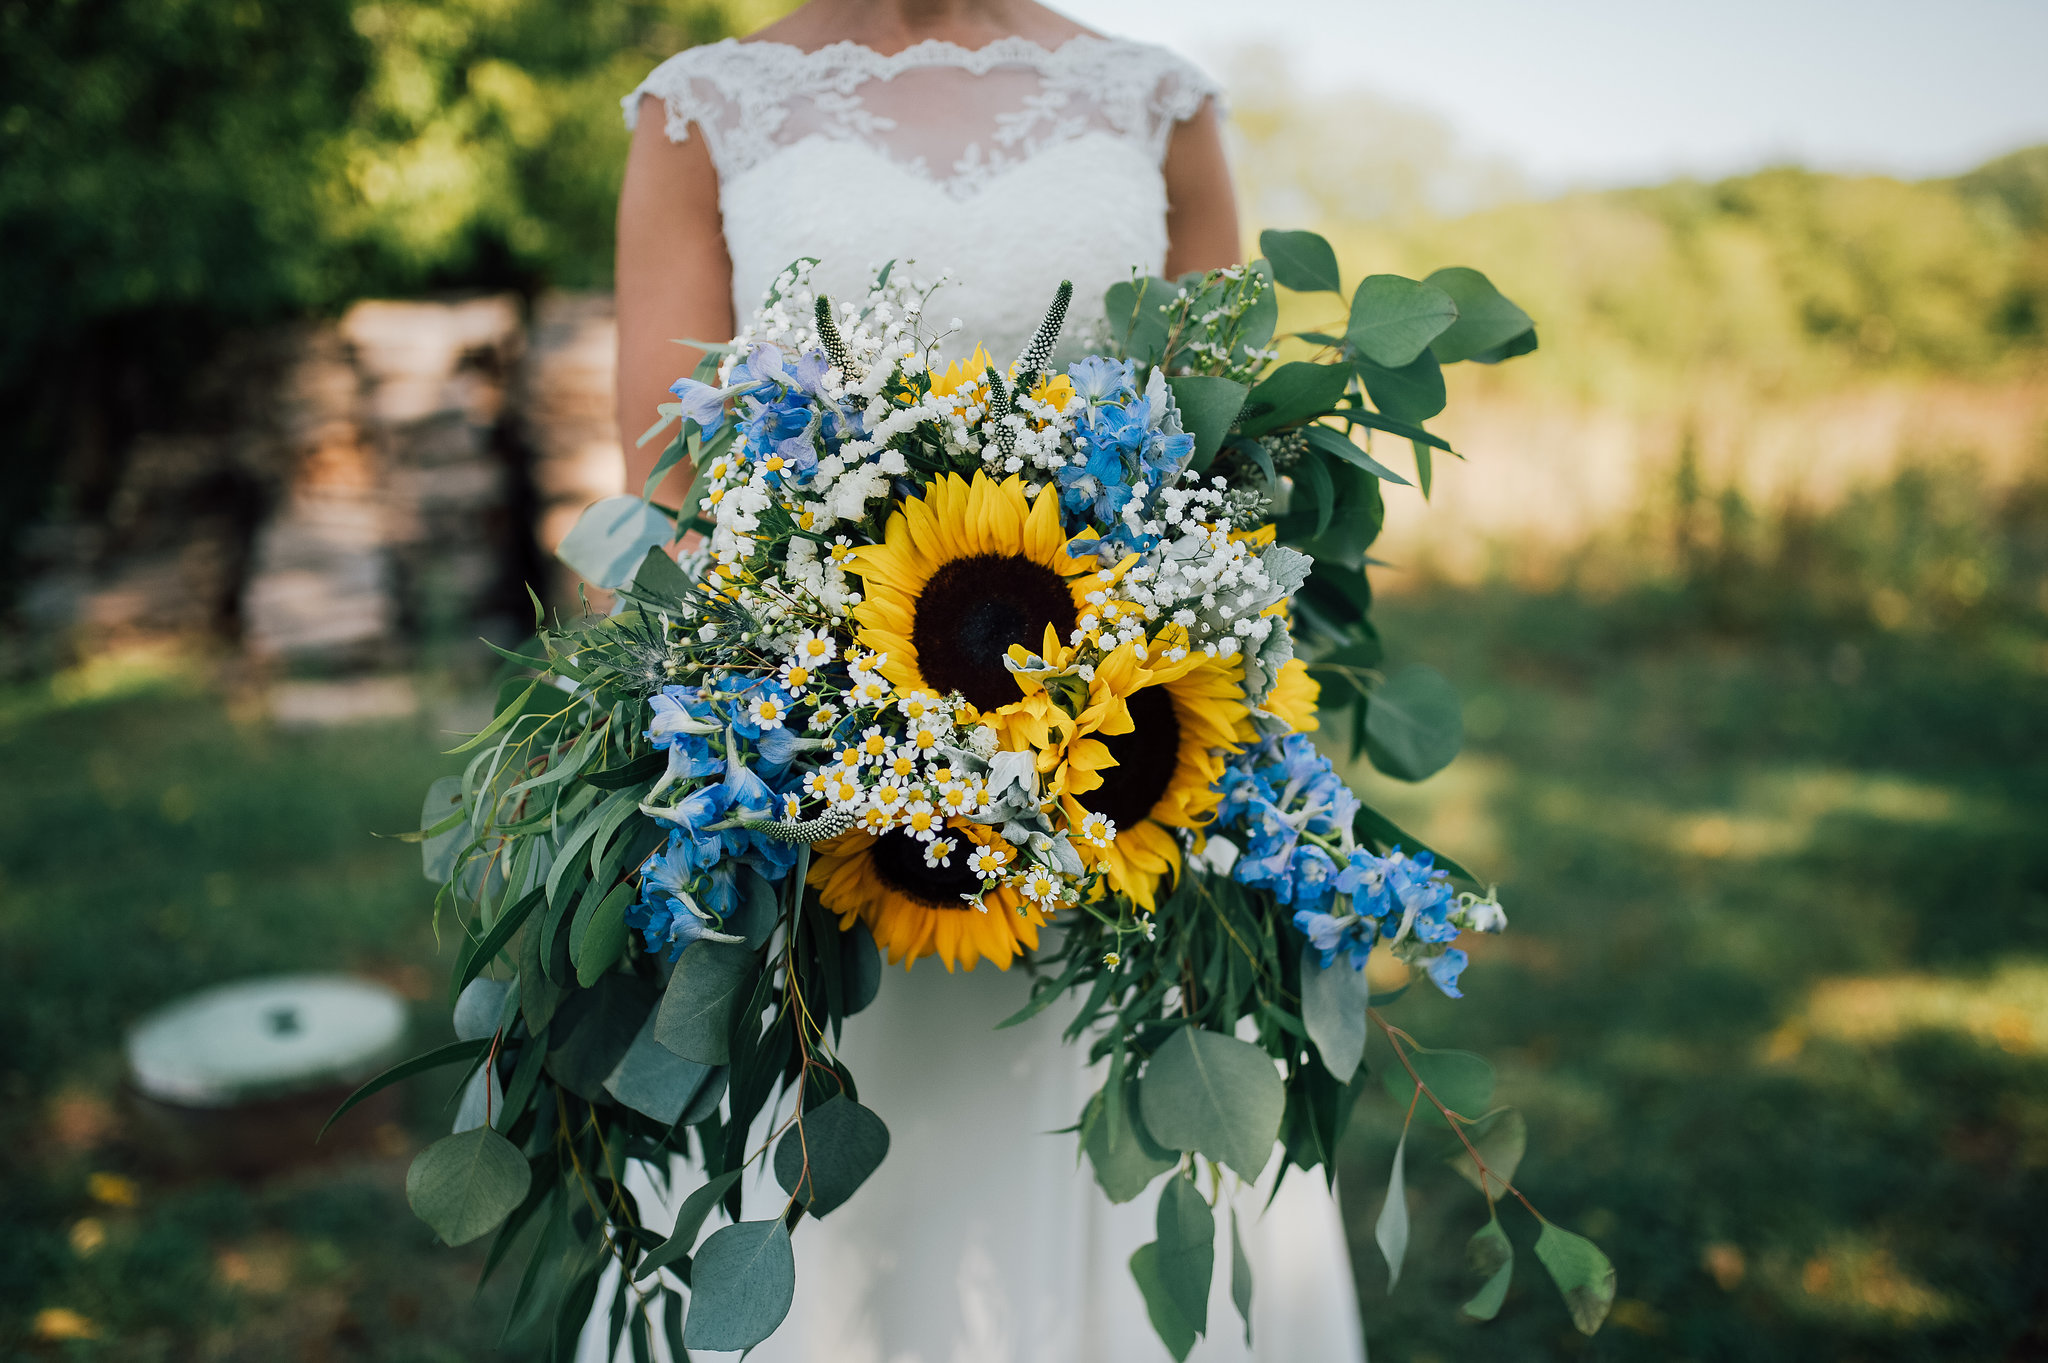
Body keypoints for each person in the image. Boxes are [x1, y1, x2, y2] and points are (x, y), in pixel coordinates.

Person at [591, 4, 1367, 1360]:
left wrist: (1156, 674)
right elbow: (665, 494)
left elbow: (1228, 456)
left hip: (1127, 786)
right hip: (815, 820)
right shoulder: (699, 108)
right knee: (821, 1199)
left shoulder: (1161, 104)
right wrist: (791, 702)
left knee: (1107, 1177)